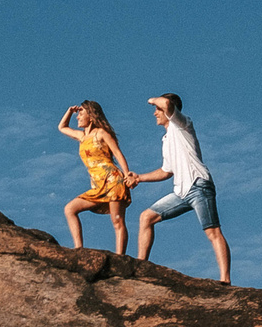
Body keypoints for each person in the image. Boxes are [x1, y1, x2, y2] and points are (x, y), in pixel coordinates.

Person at [131, 93, 231, 282]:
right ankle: (140, 266)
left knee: (213, 232)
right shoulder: (166, 139)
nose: (154, 113)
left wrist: (152, 99)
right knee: (146, 217)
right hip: (181, 192)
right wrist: (139, 178)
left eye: (157, 110)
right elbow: (166, 171)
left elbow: (167, 103)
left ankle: (225, 279)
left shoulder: (182, 124)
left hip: (199, 185)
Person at [57, 101, 135, 252]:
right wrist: (69, 111)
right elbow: (62, 127)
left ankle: (120, 257)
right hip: (98, 185)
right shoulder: (82, 136)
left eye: (81, 113)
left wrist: (127, 175)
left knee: (117, 220)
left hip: (113, 180)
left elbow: (118, 154)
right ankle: (79, 249)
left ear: (91, 116)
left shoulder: (101, 133)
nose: (78, 117)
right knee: (70, 209)